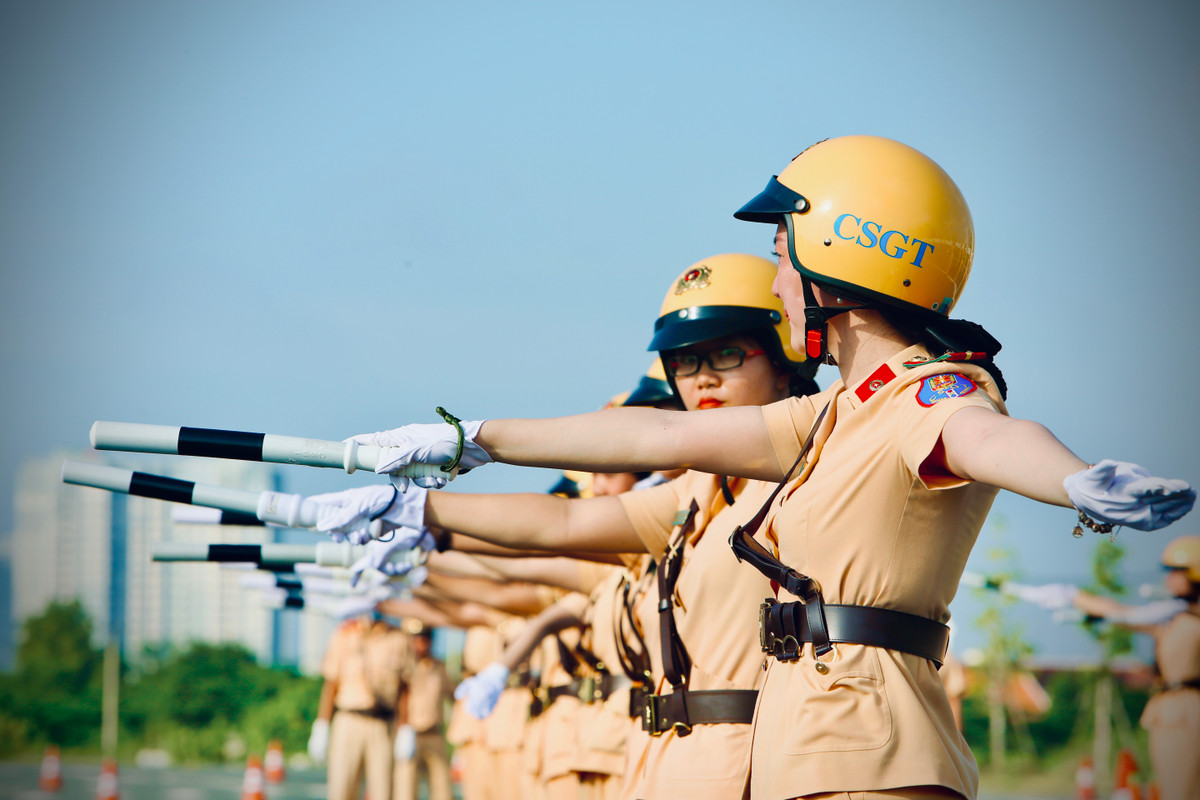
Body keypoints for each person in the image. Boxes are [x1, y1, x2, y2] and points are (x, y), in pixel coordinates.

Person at [314, 136, 1193, 800]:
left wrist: (1073, 479)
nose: (777, 281)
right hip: (801, 753)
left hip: (869, 755)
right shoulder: (827, 416)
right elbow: (653, 444)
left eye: (783, 255)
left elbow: (986, 438)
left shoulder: (929, 392)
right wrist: (475, 439)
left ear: (844, 255)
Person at [312, 253, 819, 798]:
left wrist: (476, 441)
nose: (703, 379)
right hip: (669, 761)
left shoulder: (813, 460)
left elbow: (532, 574)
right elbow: (563, 521)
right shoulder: (695, 496)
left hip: (754, 761)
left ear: (784, 357)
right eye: (686, 363)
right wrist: (417, 512)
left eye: (727, 353)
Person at [1016, 535, 1200, 800]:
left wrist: (1073, 596)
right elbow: (1125, 617)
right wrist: (1084, 605)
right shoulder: (1177, 616)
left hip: (1185, 712)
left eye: (1176, 571)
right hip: (1170, 708)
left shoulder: (1183, 615)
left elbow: (1127, 614)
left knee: (1181, 789)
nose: (1168, 578)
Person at [309, 608, 411, 800]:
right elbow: (332, 683)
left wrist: (405, 728)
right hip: (349, 721)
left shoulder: (398, 638)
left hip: (383, 724)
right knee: (342, 789)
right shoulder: (345, 634)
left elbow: (405, 689)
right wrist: (322, 724)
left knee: (383, 791)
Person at [395, 624, 456, 800]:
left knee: (442, 790)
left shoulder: (439, 668)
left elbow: (455, 696)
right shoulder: (403, 666)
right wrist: (402, 729)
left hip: (434, 735)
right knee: (405, 791)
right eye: (416, 639)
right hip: (409, 735)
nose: (420, 644)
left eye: (424, 639)